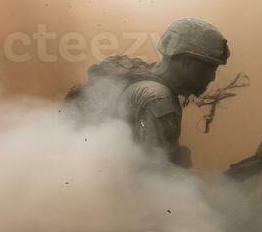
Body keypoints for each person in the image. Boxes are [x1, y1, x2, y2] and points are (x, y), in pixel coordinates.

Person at [64, 18, 229, 167]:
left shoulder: (142, 73)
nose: (212, 77)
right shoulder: (158, 98)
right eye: (208, 68)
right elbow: (152, 173)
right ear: (187, 63)